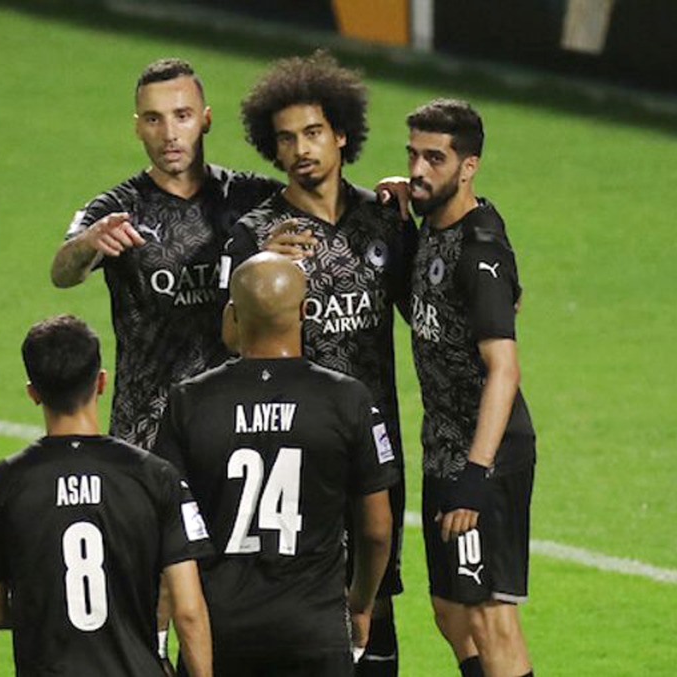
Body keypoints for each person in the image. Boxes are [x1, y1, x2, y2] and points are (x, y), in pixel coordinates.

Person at [222, 51, 415, 676]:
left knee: (376, 594)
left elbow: (436, 315)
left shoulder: (384, 219)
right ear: (271, 151)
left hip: (376, 440)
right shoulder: (256, 231)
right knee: (303, 600)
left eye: (312, 133)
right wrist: (257, 270)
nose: (301, 149)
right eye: (286, 139)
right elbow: (228, 339)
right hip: (298, 443)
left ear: (340, 134)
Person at [154, 253, 397, 676]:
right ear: (307, 310)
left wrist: (159, 629)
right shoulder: (346, 399)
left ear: (232, 313)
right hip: (314, 627)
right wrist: (360, 604)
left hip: (220, 630)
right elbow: (376, 530)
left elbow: (165, 528)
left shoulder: (189, 402)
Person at [0, 315, 214, 676]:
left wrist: (51, 613)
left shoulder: (0, 484)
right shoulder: (155, 477)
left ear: (33, 392)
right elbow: (187, 610)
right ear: (101, 381)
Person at [50, 58, 281, 451]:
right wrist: (88, 244)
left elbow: (329, 209)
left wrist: (389, 193)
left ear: (205, 119)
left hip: (236, 426)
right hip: (146, 432)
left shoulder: (253, 198)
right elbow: (62, 272)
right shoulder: (119, 207)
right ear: (138, 126)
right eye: (154, 119)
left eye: (182, 116)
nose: (170, 134)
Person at [405, 99, 536, 677]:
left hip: (485, 458)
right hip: (444, 449)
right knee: (448, 609)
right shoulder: (434, 224)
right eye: (412, 154)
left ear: (469, 166)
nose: (418, 169)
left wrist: (475, 478)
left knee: (488, 616)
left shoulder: (478, 248)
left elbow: (505, 369)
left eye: (435, 158)